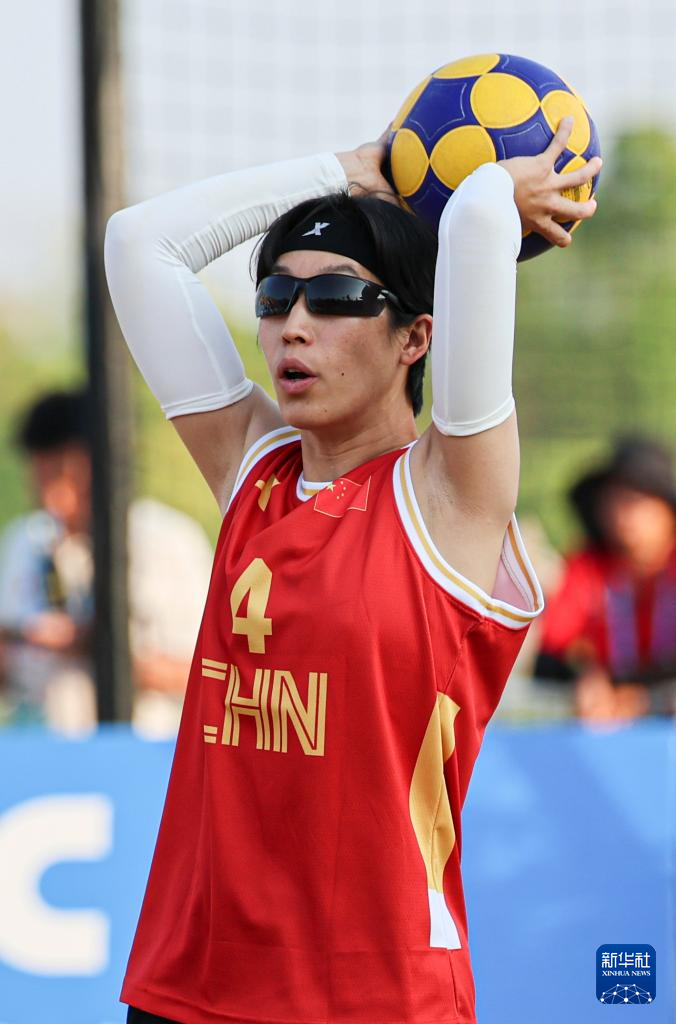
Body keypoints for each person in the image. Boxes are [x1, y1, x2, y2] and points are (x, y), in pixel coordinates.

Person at [104, 118, 600, 1024]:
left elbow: (477, 221)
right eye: (275, 297)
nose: (294, 325)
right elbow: (139, 244)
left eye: (336, 298)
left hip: (375, 996)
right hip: (189, 988)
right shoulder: (254, 469)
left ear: (416, 338)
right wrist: (342, 171)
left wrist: (488, 188)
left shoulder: (449, 494)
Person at [0, 390, 214, 735]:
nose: (51, 491)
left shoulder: (167, 540)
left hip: (145, 747)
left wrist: (93, 646)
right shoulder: (24, 542)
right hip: (42, 748)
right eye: (41, 472)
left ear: (102, 463)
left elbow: (206, 674)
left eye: (62, 470)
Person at [535, 437, 676, 720]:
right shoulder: (587, 568)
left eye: (634, 501)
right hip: (608, 722)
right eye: (611, 500)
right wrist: (587, 674)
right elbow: (553, 650)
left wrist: (646, 700)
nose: (620, 514)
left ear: (667, 509)